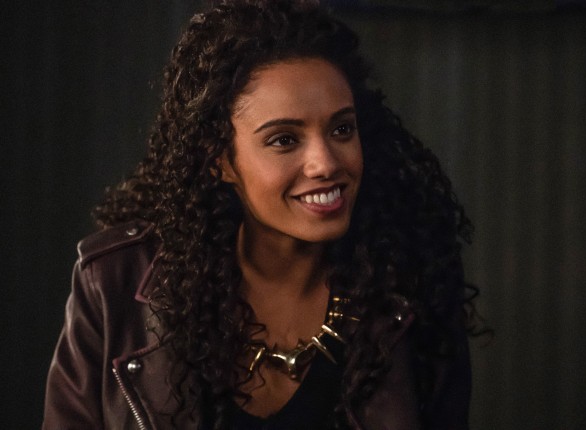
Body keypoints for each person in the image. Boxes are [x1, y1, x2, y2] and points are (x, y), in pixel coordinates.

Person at [43, 1, 475, 429]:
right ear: (219, 160)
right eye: (284, 139)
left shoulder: (409, 292)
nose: (325, 163)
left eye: (342, 129)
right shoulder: (114, 285)